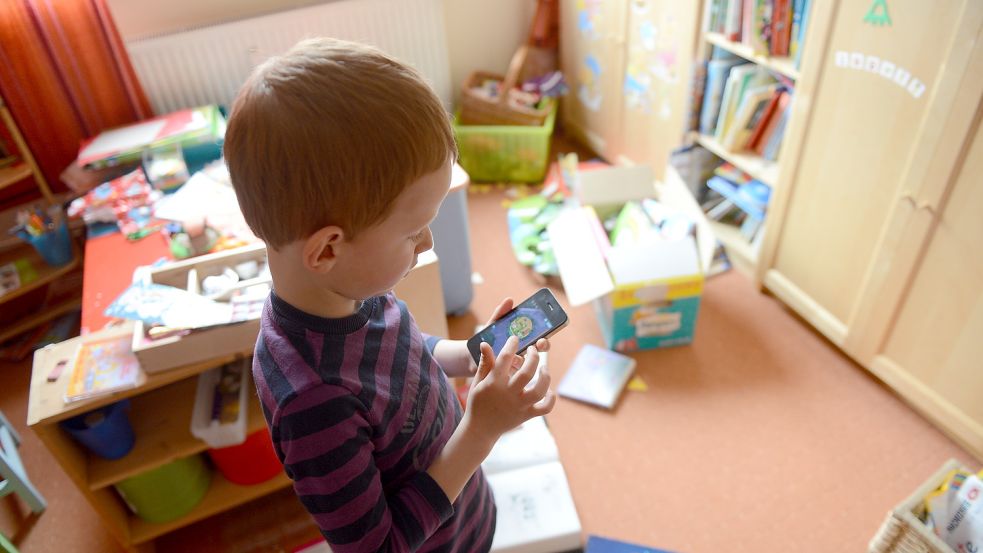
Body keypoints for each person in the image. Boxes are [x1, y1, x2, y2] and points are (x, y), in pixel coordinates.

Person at [223, 37, 556, 553]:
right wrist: (480, 431)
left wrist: (470, 358)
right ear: (328, 249)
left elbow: (403, 349)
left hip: (466, 520)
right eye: (413, 231)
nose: (427, 243)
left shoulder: (349, 289)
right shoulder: (312, 403)